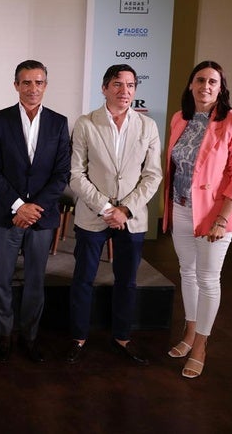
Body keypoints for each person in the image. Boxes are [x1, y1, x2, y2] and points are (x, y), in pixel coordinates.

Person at [67, 64, 162, 365]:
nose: (125, 91)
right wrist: (107, 208)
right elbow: (75, 174)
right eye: (118, 85)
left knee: (127, 281)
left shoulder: (147, 127)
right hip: (93, 215)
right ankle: (78, 338)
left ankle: (122, 338)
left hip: (131, 218)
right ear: (105, 88)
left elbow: (153, 175)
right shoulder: (86, 123)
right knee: (83, 278)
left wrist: (125, 209)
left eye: (131, 85)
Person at [0, 60, 70, 363]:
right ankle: (4, 334)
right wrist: (20, 206)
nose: (33, 88)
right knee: (2, 278)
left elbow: (62, 173)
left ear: (46, 85)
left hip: (42, 217)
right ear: (16, 85)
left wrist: (35, 208)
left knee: (36, 280)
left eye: (38, 82)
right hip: (7, 214)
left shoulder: (59, 123)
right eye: (26, 82)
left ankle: (30, 336)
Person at [162, 61, 232, 378]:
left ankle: (201, 346)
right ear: (190, 85)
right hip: (181, 207)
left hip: (214, 215)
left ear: (220, 89)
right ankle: (190, 331)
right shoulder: (180, 118)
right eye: (200, 80)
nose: (205, 86)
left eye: (212, 81)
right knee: (187, 272)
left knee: (208, 279)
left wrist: (222, 219)